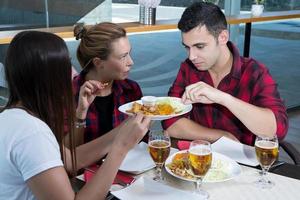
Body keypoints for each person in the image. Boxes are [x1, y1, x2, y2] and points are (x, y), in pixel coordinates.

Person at [0, 31, 150, 200]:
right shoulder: (32, 133)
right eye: (66, 67)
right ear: (49, 78)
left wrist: (81, 114)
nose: (73, 74)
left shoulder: (12, 118)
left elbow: (70, 161)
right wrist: (120, 148)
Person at [162, 2, 288, 145]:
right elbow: (170, 122)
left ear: (223, 37)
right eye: (187, 47)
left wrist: (223, 99)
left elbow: (278, 130)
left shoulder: (255, 72)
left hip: (246, 164)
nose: (192, 56)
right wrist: (221, 135)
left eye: (200, 46)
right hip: (200, 160)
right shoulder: (189, 68)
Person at [73, 22, 143, 144]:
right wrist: (80, 113)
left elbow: (142, 142)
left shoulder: (132, 89)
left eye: (129, 53)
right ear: (98, 62)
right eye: (123, 57)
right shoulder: (68, 94)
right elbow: (68, 154)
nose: (131, 62)